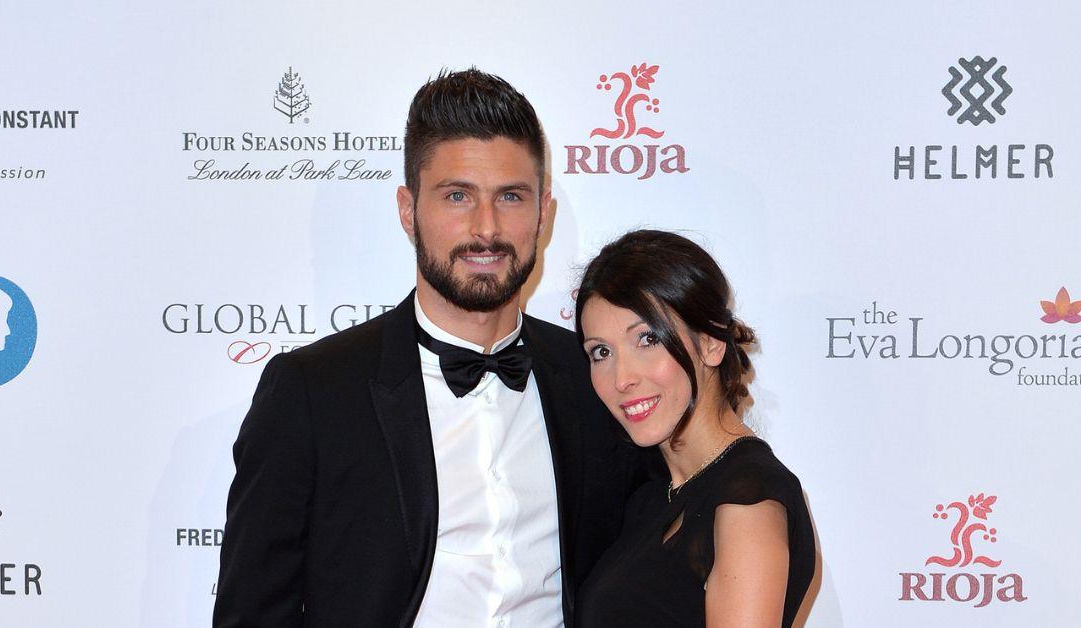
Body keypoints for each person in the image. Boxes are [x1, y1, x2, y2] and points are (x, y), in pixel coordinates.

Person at [213, 69, 646, 628]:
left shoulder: (594, 377)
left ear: (543, 214)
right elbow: (252, 613)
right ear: (407, 210)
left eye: (510, 196)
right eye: (457, 195)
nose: (485, 228)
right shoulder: (312, 392)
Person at [573, 230, 815, 627]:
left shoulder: (748, 497)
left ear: (711, 343)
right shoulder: (653, 498)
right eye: (601, 352)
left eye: (647, 338)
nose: (621, 378)